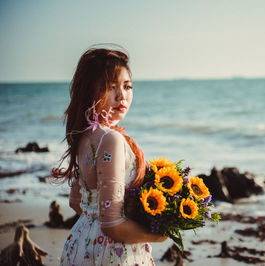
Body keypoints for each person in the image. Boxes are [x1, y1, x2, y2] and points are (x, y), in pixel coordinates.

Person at [52, 45, 167, 265]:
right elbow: (111, 224)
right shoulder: (110, 139)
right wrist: (158, 235)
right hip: (112, 253)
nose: (121, 95)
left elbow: (78, 202)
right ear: (90, 91)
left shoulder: (85, 136)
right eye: (111, 86)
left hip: (82, 243)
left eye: (127, 86)